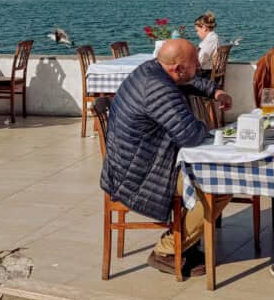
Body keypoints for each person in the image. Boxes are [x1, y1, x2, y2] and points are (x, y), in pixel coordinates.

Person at [99, 38, 233, 279]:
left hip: (130, 161)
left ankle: (186, 242)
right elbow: (190, 135)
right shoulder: (158, 89)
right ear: (177, 68)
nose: (198, 70)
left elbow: (187, 82)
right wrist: (208, 127)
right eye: (196, 66)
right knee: (220, 184)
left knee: (212, 180)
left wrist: (214, 90)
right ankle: (168, 249)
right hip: (139, 173)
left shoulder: (153, 70)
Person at [193, 11, 219, 79]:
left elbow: (200, 61)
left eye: (197, 30)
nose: (197, 33)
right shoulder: (215, 37)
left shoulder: (210, 41)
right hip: (213, 73)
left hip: (206, 75)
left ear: (204, 28)